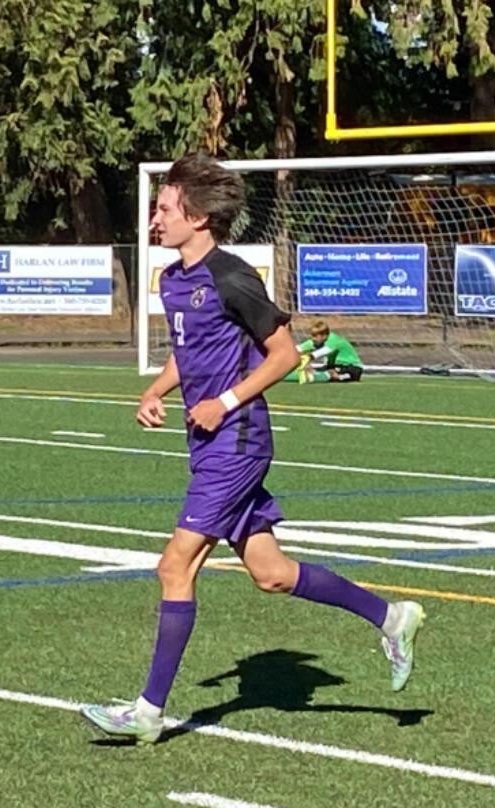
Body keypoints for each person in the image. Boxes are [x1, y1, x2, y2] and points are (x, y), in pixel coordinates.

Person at [80, 155, 424, 744]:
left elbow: (285, 356)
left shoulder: (233, 277)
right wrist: (158, 389)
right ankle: (391, 617)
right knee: (271, 573)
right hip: (209, 441)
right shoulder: (171, 280)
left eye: (164, 209)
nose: (154, 218)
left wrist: (226, 401)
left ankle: (147, 712)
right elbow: (190, 351)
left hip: (236, 442)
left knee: (174, 565)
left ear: (198, 217)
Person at [285, 321, 364, 383]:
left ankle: (337, 377)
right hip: (333, 366)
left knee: (331, 373)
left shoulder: (334, 340)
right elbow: (297, 349)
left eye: (316, 336)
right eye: (312, 335)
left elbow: (321, 352)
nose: (313, 338)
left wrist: (305, 360)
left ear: (324, 335)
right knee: (317, 370)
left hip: (351, 367)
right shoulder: (315, 341)